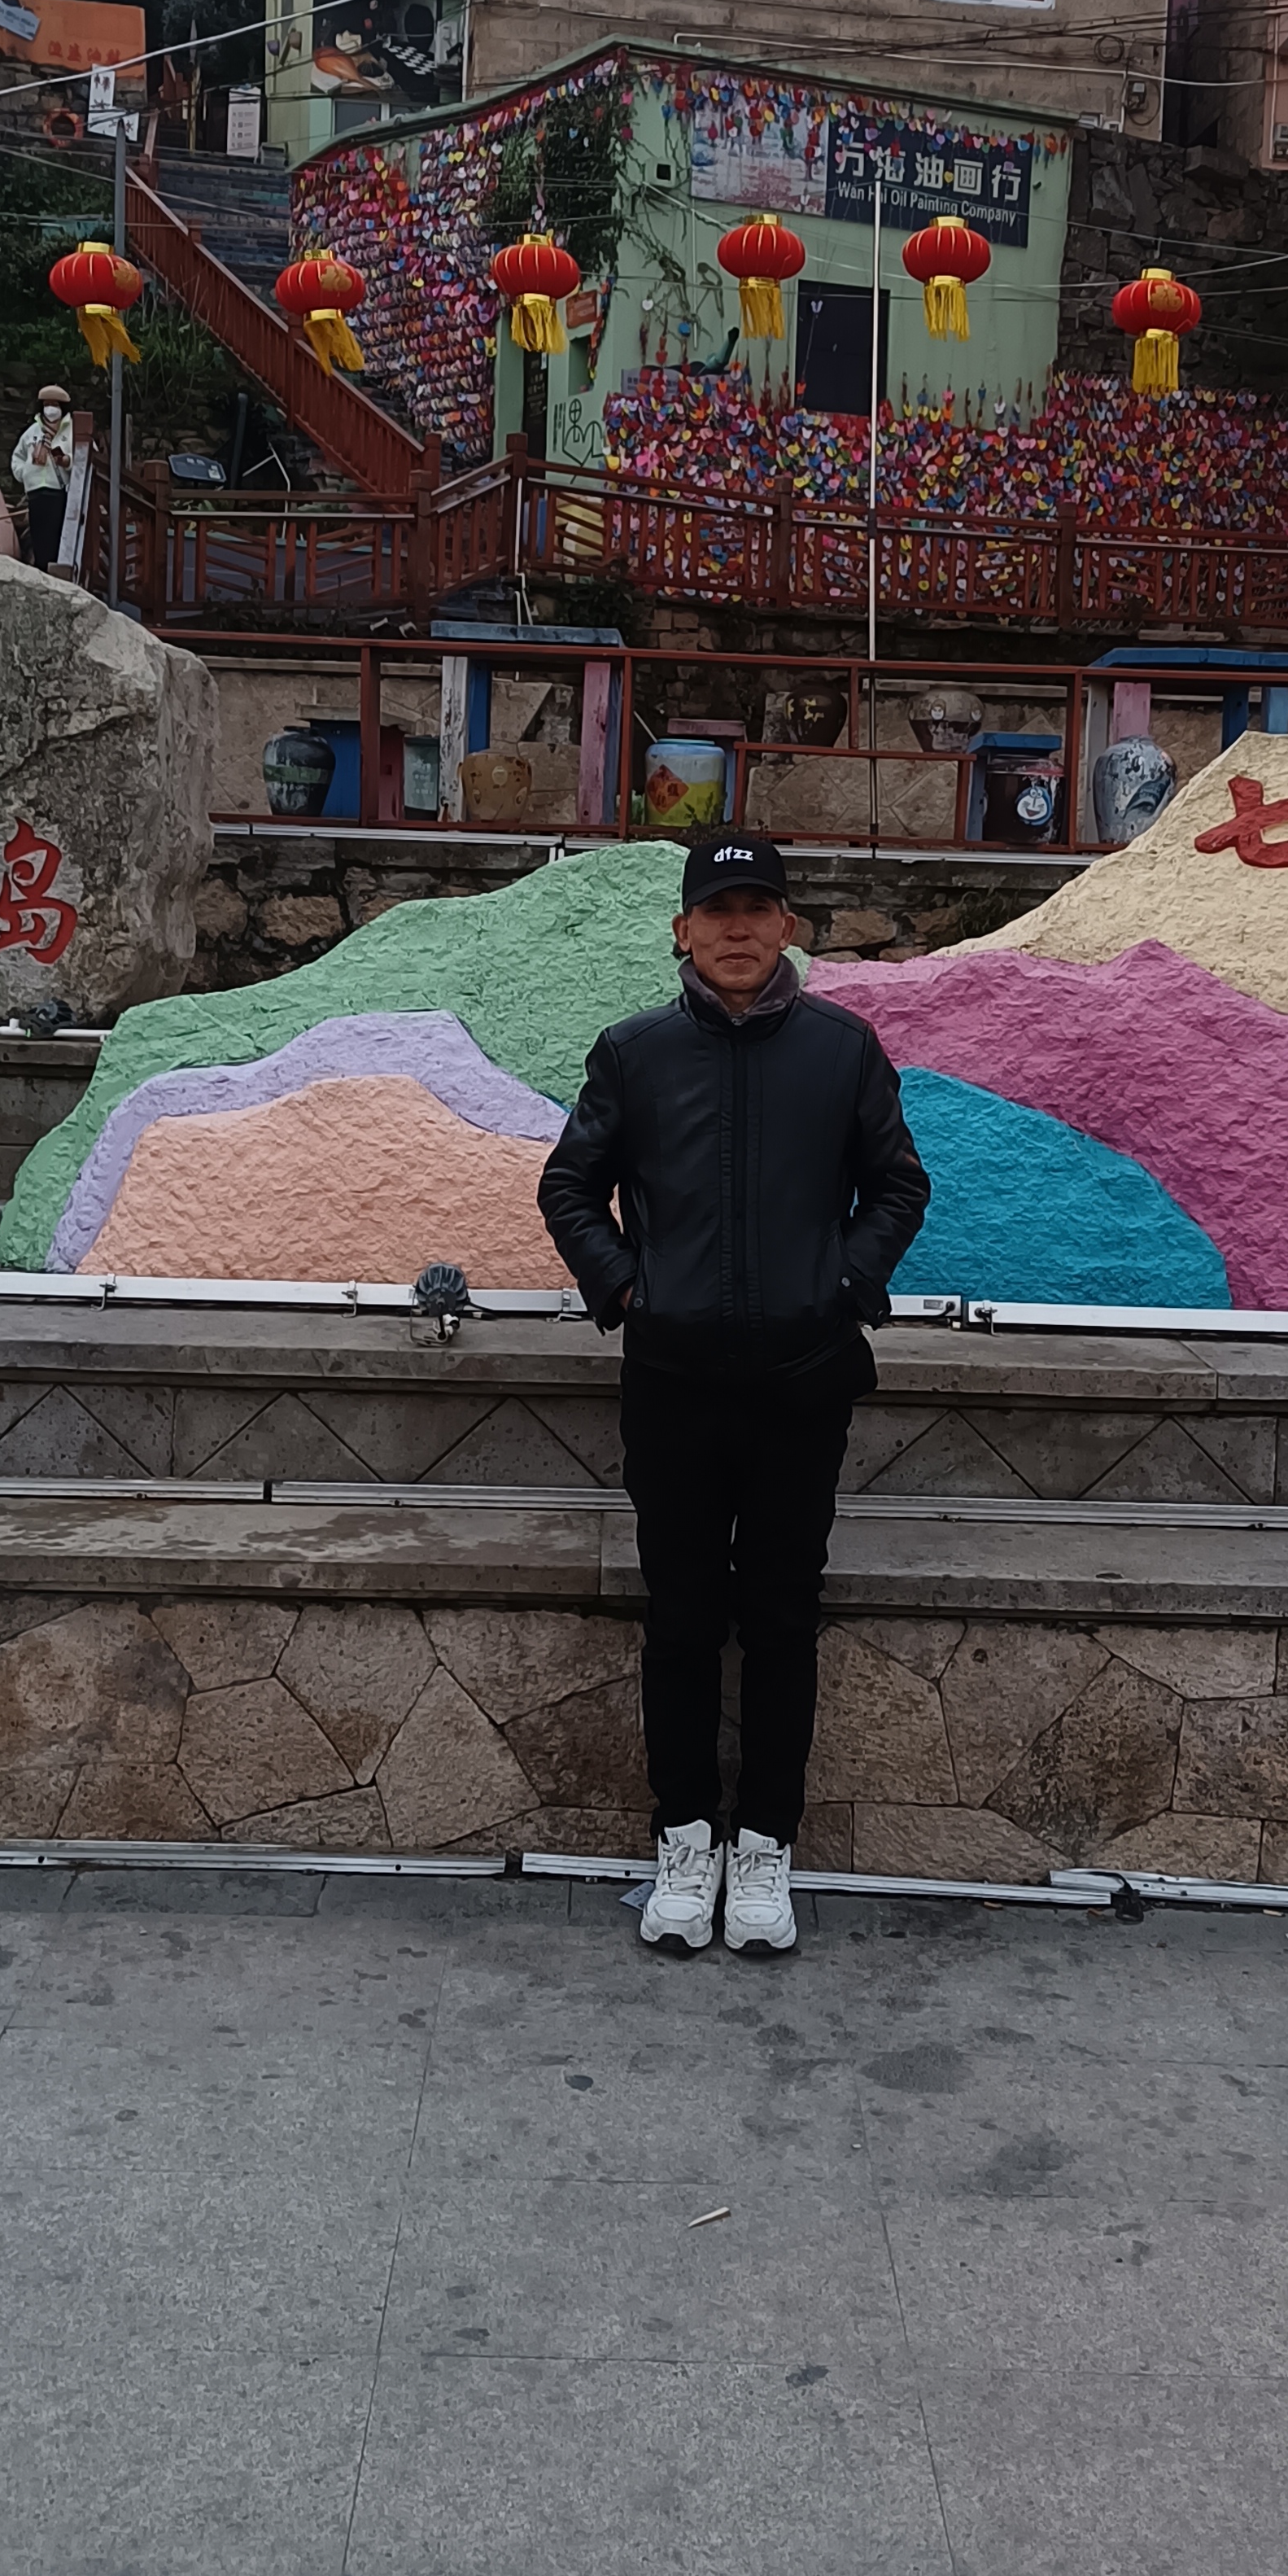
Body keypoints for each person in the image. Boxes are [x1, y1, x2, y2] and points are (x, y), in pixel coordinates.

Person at [539, 829, 929, 1960]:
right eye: (719, 911)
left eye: (759, 909)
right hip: (673, 1386)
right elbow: (570, 1187)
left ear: (788, 926)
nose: (740, 930)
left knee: (780, 1618)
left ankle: (764, 1845)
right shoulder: (636, 1053)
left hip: (802, 1385)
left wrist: (840, 1286)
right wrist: (630, 1289)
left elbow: (898, 1187)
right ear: (683, 931)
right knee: (681, 1618)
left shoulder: (842, 1050)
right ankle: (684, 1839)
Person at [8, 385, 74, 570]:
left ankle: (55, 570)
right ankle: (41, 569)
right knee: (38, 536)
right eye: (47, 404)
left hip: (59, 491)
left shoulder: (72, 432)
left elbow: (86, 457)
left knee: (57, 535)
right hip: (36, 491)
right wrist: (25, 473)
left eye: (55, 404)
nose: (50, 409)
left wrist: (67, 461)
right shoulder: (32, 432)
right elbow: (17, 457)